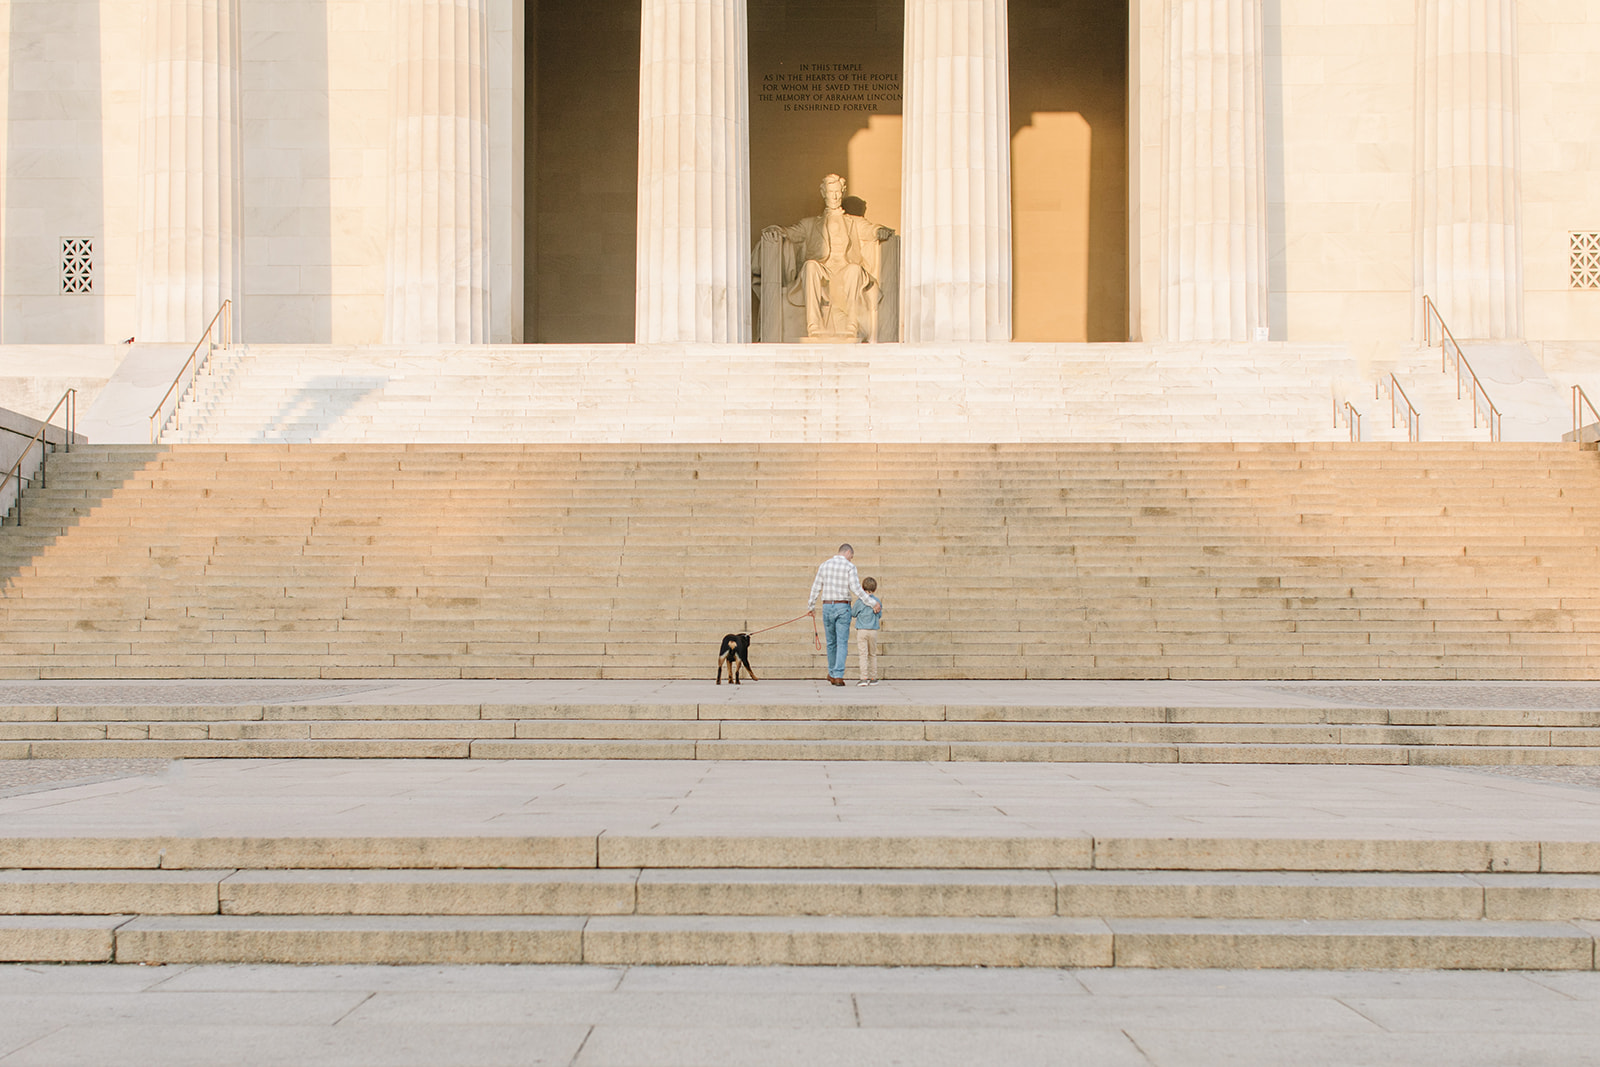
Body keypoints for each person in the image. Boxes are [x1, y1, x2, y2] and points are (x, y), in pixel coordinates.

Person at [762, 174, 895, 341]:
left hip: (845, 271)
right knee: (810, 266)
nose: (835, 196)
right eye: (831, 192)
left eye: (838, 192)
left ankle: (852, 326)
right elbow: (790, 233)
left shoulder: (854, 222)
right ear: (824, 193)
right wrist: (775, 230)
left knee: (855, 269)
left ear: (842, 193)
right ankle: (814, 326)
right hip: (821, 271)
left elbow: (870, 229)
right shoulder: (809, 224)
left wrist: (879, 231)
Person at [807, 543, 880, 686]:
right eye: (851, 557)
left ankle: (832, 673)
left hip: (827, 605)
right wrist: (872, 603)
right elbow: (857, 589)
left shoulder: (824, 565)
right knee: (841, 642)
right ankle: (838, 675)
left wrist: (811, 605)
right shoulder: (849, 567)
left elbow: (816, 587)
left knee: (831, 642)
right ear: (847, 552)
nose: (851, 560)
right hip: (842, 606)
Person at [852, 576, 882, 686]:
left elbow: (853, 613)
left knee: (863, 654)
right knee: (872, 654)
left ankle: (864, 677)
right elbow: (879, 614)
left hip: (862, 630)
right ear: (875, 589)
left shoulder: (860, 601)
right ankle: (873, 677)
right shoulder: (877, 601)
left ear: (862, 588)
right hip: (873, 630)